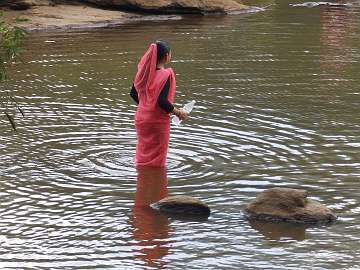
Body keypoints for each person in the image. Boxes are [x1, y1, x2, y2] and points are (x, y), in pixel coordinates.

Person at [130, 40, 188, 167]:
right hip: (157, 122)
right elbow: (162, 102)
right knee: (157, 160)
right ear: (167, 56)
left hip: (141, 119)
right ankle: (156, 183)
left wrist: (146, 107)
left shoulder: (142, 74)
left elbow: (133, 94)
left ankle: (142, 180)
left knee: (142, 152)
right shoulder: (166, 74)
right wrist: (179, 113)